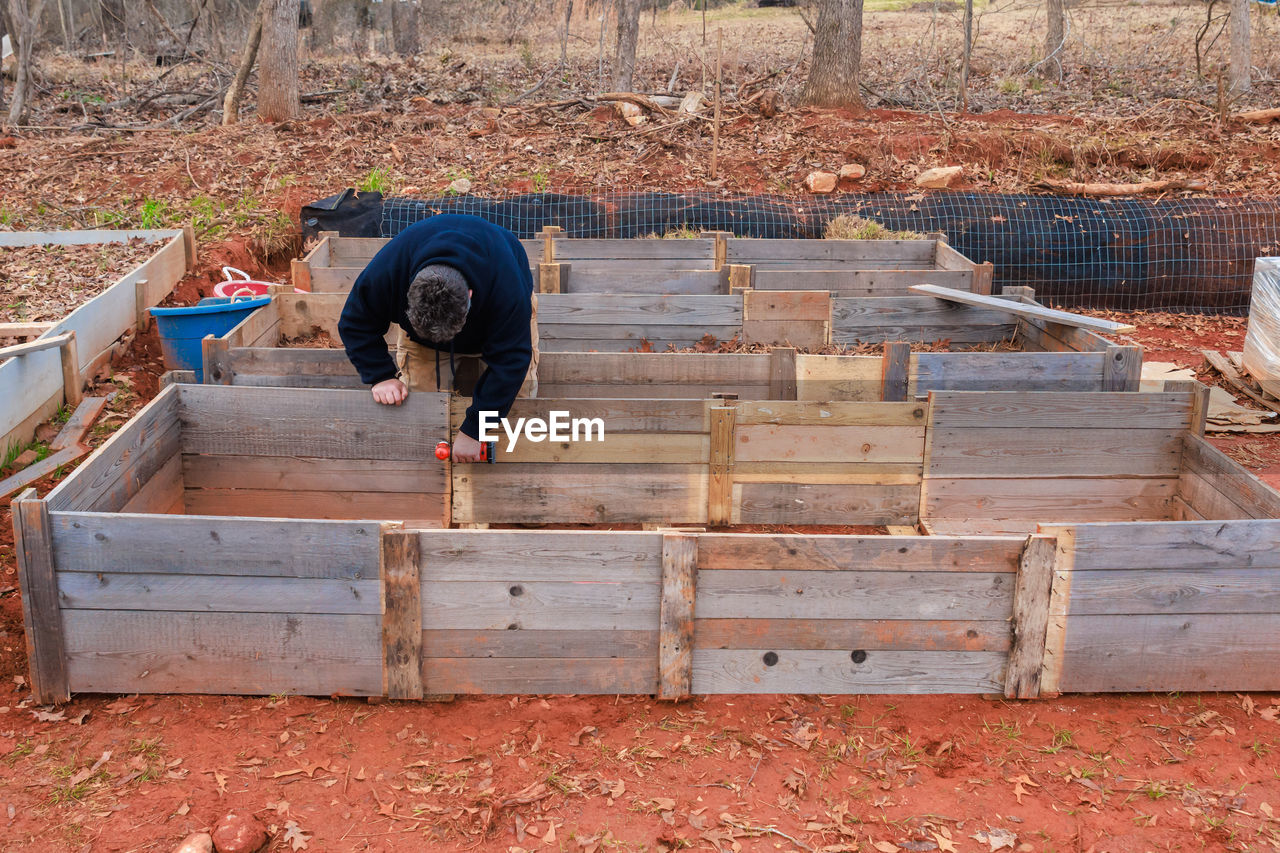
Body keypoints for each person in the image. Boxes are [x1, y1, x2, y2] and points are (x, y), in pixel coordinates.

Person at [338, 214, 538, 463]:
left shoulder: (507, 291)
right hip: (423, 338)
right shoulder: (388, 273)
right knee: (418, 408)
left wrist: (475, 429)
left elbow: (511, 361)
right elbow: (355, 322)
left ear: (470, 295)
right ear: (407, 294)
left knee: (519, 400)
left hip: (495, 316)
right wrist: (380, 375)